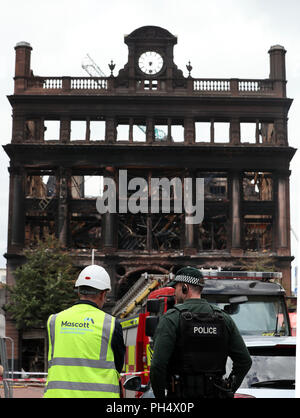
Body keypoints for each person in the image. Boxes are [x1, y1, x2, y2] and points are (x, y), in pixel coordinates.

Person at [150, 267, 252, 399]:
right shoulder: (224, 318)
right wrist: (228, 388)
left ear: (185, 287)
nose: (174, 293)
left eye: (176, 288)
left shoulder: (172, 318)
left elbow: (158, 365)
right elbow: (244, 361)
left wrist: (160, 397)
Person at [44, 264, 125, 398]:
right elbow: (118, 365)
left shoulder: (54, 321)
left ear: (79, 291)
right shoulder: (110, 324)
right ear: (103, 294)